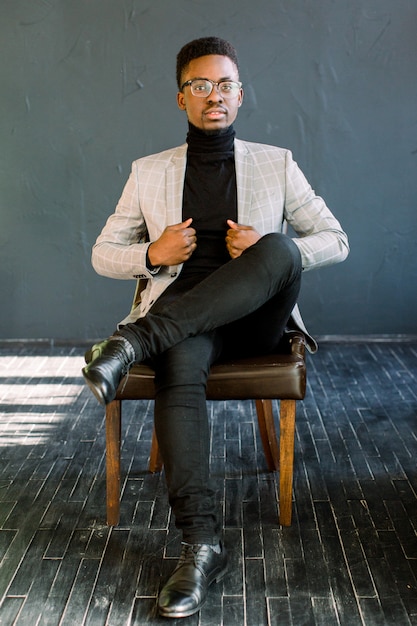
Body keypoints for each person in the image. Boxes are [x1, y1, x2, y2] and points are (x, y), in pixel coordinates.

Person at [82, 36, 349, 619]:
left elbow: (336, 239)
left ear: (240, 95)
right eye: (200, 86)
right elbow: (104, 253)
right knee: (180, 361)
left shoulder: (275, 162)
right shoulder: (149, 172)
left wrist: (259, 250)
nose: (214, 97)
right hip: (187, 318)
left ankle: (132, 342)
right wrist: (154, 252)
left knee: (281, 248)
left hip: (258, 320)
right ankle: (200, 546)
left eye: (224, 85)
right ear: (182, 99)